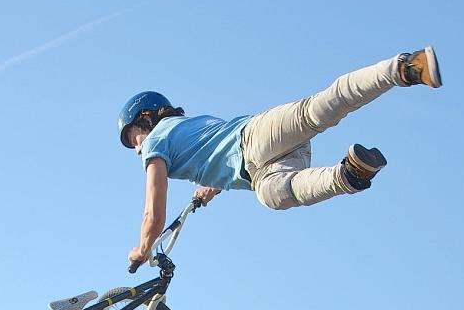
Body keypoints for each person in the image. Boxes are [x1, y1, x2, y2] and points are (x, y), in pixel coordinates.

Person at [118, 48, 443, 269]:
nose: (137, 149)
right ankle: (349, 174)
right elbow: (213, 153)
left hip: (254, 139)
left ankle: (405, 66)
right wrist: (211, 187)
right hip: (261, 166)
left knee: (320, 109)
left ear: (145, 119)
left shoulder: (156, 142)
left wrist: (143, 247)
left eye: (133, 137)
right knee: (272, 194)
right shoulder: (184, 129)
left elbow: (153, 211)